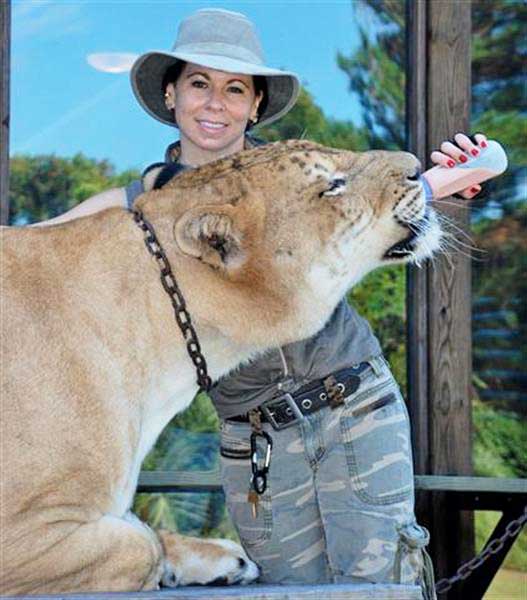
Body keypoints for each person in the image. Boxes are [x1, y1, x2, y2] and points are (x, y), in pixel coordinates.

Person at [38, 8, 486, 598]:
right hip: (255, 444)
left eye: (234, 89)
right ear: (171, 95)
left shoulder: (305, 174)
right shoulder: (132, 210)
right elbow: (36, 255)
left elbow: (395, 202)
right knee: (283, 593)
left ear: (254, 106)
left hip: (352, 405)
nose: (215, 104)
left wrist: (453, 179)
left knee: (385, 589)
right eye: (199, 83)